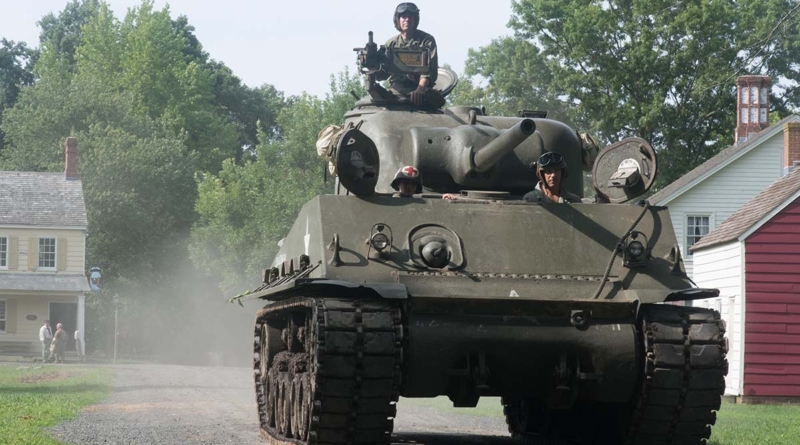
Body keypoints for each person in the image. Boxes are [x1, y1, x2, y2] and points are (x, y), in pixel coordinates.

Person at [384, 3, 444, 108]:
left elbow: (430, 70)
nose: (407, 19)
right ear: (397, 19)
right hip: (397, 90)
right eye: (403, 16)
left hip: (421, 89)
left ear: (415, 19)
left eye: (410, 16)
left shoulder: (426, 40)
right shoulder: (391, 44)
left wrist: (420, 89)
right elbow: (383, 73)